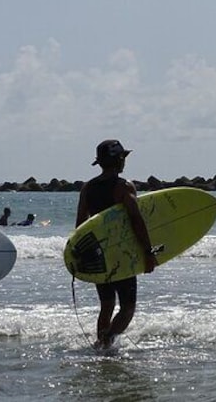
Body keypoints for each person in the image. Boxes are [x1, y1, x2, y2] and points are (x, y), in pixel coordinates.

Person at [76, 139, 156, 350]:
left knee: (107, 305)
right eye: (123, 158)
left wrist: (83, 257)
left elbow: (80, 226)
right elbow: (137, 221)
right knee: (128, 308)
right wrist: (148, 252)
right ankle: (106, 341)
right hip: (122, 254)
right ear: (119, 159)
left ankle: (103, 345)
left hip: (99, 255)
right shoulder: (123, 187)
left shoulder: (88, 188)